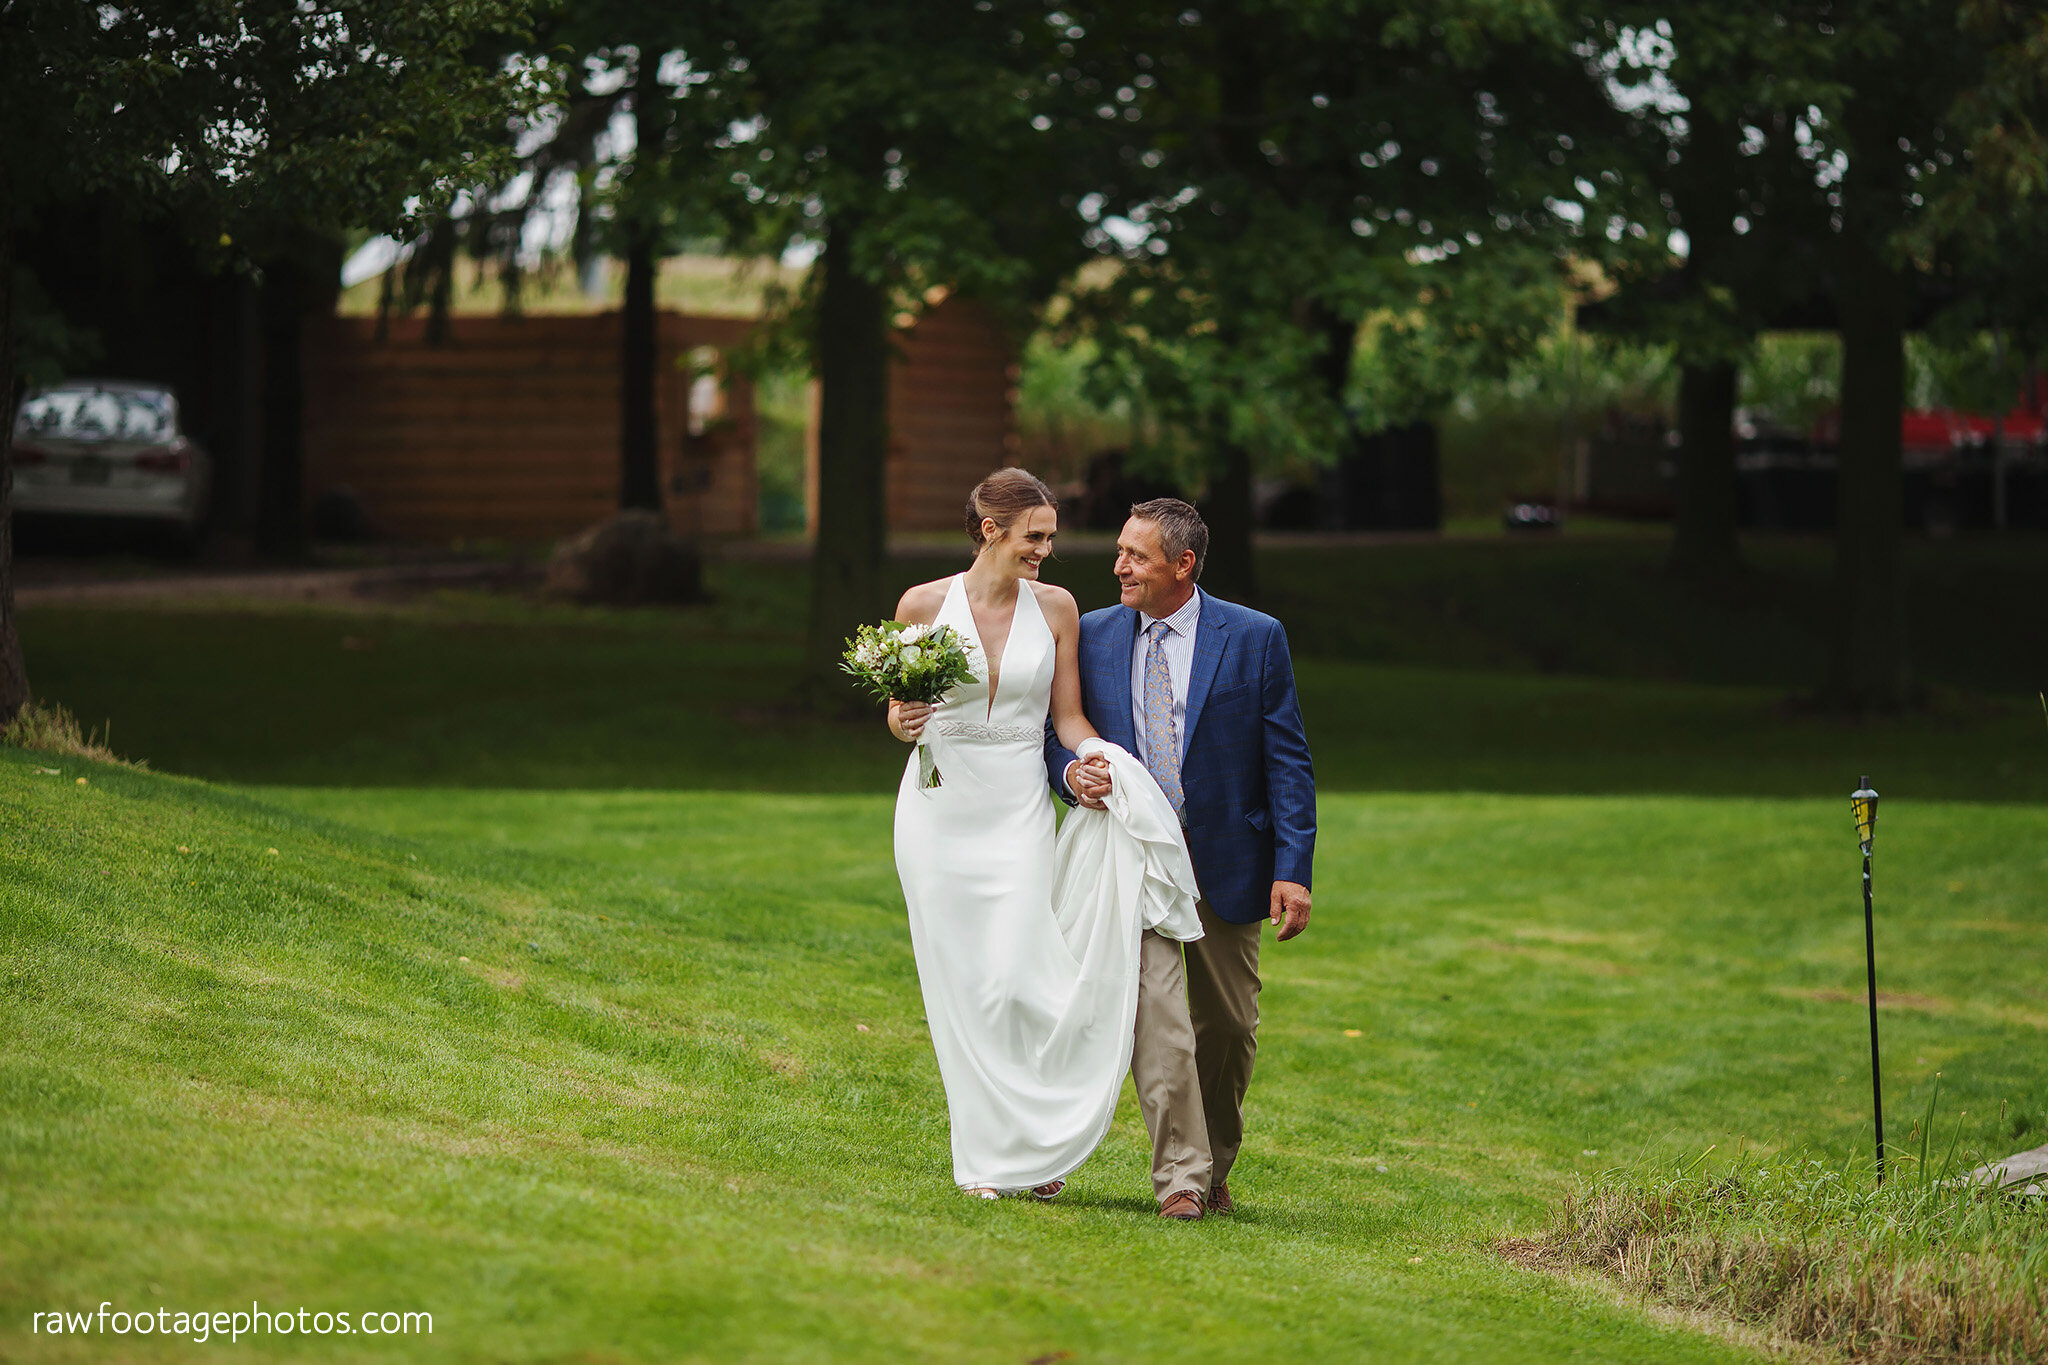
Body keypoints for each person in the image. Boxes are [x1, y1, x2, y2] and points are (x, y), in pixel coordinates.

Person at [888, 469, 1204, 1209]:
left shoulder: (1057, 609)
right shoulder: (921, 605)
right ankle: (985, 1154)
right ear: (991, 530)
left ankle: (1035, 1140)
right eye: (1036, 536)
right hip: (938, 814)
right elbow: (902, 709)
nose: (1046, 550)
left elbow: (1067, 720)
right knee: (961, 986)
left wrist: (1099, 765)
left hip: (1017, 812)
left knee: (1016, 982)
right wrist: (900, 720)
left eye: (1051, 537)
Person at [1045, 498, 1316, 1217]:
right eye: (1120, 551)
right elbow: (1055, 733)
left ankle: (1214, 1160)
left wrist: (1294, 866)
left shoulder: (1255, 637)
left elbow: (1287, 760)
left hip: (1226, 858)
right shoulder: (1094, 634)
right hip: (1134, 858)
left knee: (1226, 1027)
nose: (1118, 566)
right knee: (1158, 1018)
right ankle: (1183, 1181)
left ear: (1182, 564)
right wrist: (1074, 775)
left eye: (1135, 555)